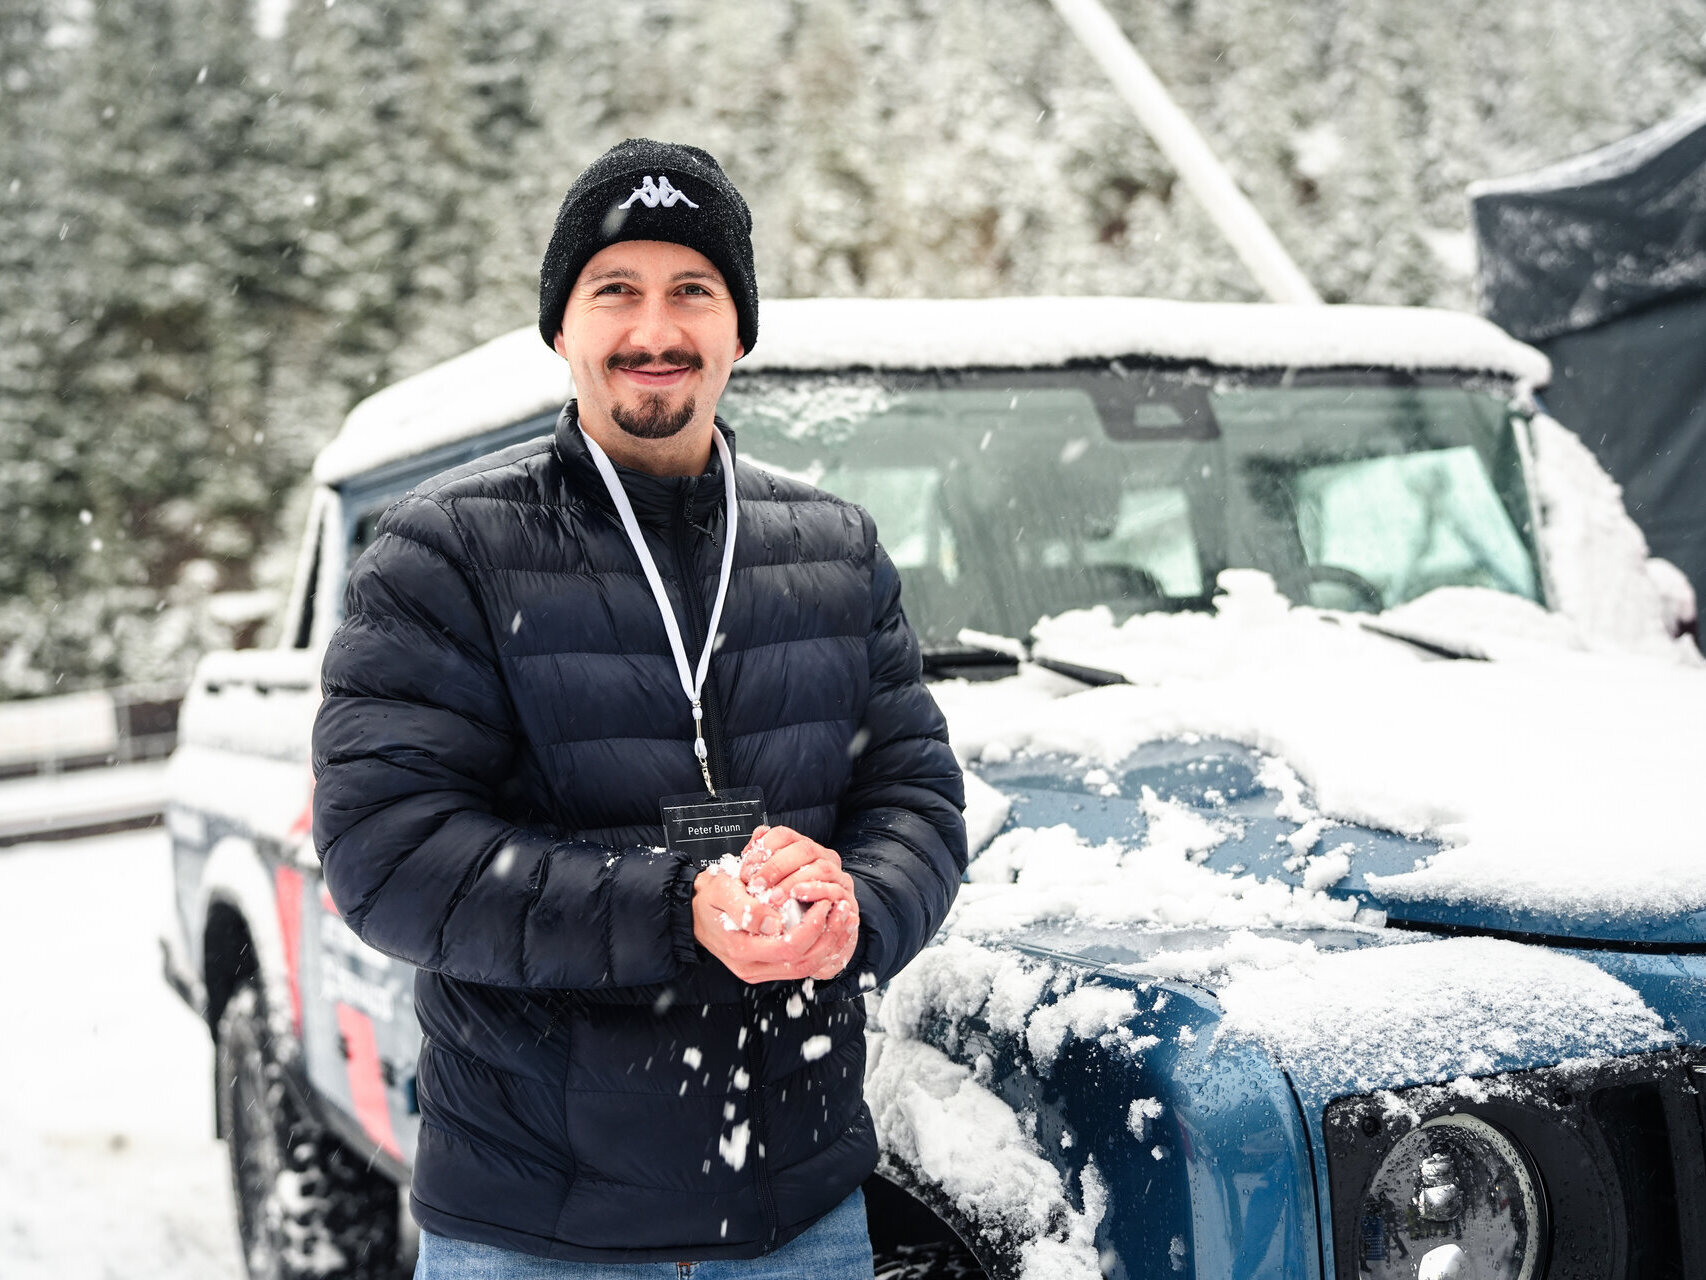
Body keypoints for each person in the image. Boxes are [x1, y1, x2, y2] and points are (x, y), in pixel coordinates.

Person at [311, 138, 967, 1278]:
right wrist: (675, 909)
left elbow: (912, 797)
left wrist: (857, 907)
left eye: (692, 292)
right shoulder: (445, 549)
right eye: (614, 289)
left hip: (800, 1217)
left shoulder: (834, 546)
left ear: (738, 330)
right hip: (537, 1230)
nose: (654, 330)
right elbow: (387, 854)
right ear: (561, 329)